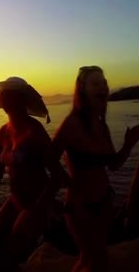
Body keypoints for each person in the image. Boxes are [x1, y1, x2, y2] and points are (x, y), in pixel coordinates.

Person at [51, 66, 139, 272]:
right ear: (83, 90)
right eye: (96, 83)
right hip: (81, 208)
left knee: (89, 260)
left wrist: (129, 143)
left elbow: (114, 165)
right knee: (96, 262)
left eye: (104, 82)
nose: (103, 87)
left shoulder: (102, 124)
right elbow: (49, 158)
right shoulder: (71, 124)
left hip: (104, 202)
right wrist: (63, 182)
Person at [0, 77, 65, 271]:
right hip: (15, 200)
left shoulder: (35, 131)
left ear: (22, 100)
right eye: (4, 95)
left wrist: (41, 207)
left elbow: (57, 175)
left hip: (36, 202)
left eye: (11, 95)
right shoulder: (3, 132)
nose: (6, 99)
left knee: (12, 250)